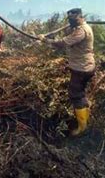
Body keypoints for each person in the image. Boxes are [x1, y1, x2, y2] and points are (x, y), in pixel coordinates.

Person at [39, 8, 95, 136]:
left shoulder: (81, 31)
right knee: (80, 94)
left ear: (80, 16)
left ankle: (82, 128)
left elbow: (62, 43)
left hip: (82, 69)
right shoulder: (77, 28)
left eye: (74, 18)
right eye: (69, 18)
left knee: (76, 95)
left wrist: (45, 40)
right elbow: (66, 36)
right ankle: (85, 120)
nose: (71, 21)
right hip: (84, 67)